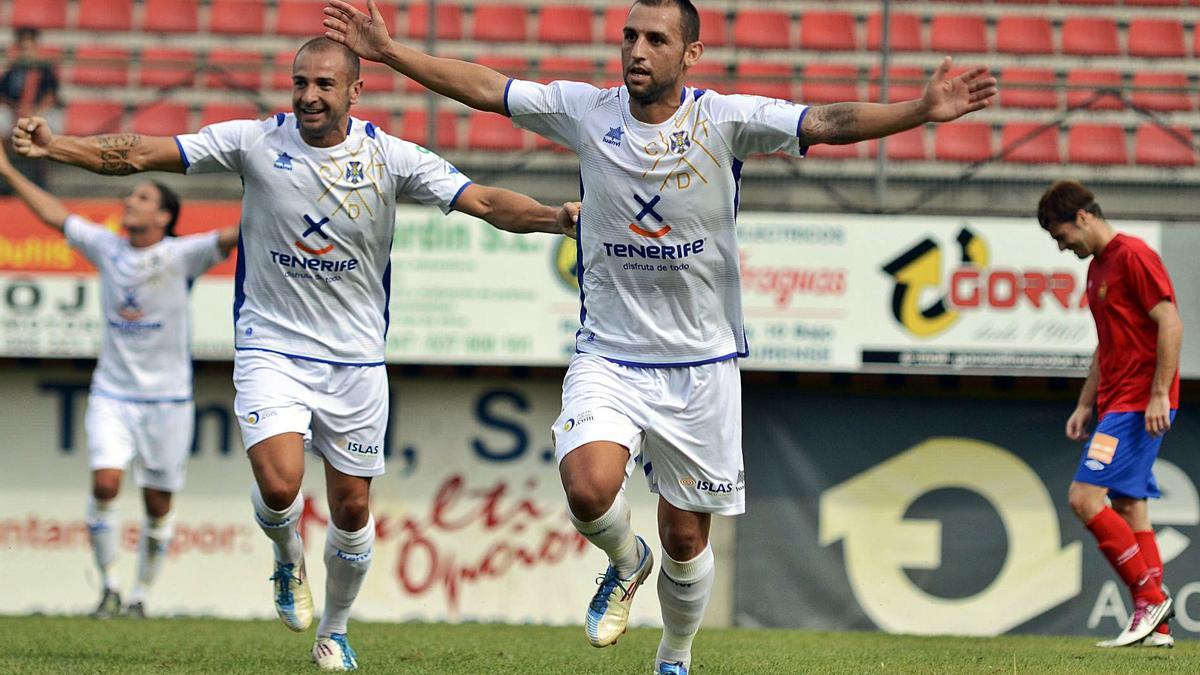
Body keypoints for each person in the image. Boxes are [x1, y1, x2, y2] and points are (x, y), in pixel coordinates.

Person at [322, 1, 996, 671]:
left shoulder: (725, 120)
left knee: (684, 536)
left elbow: (824, 121)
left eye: (655, 39)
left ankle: (674, 654)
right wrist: (392, 52)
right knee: (587, 489)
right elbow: (487, 89)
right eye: (629, 37)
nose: (637, 50)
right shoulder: (588, 110)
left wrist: (919, 110)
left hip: (701, 363)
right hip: (609, 352)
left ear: (689, 55)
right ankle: (624, 560)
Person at [13, 36, 574, 671]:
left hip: (356, 361)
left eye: (323, 85)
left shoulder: (390, 157)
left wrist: (556, 217)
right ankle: (287, 560)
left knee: (353, 506)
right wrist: (55, 146)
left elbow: (485, 201)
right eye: (300, 82)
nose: (308, 95)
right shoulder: (254, 142)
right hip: (270, 347)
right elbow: (141, 152)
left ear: (354, 92)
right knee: (280, 486)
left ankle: (333, 631)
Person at [0, 141, 238, 619]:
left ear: (165, 218)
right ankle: (109, 586)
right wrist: (6, 167)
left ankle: (140, 595)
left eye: (143, 197)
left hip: (167, 401)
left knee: (157, 504)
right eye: (132, 196)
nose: (129, 201)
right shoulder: (107, 246)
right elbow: (53, 214)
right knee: (106, 483)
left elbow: (235, 235)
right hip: (112, 393)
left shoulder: (181, 255)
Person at [1038, 180, 1180, 648]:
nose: (1063, 248)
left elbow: (1171, 321)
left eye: (1061, 236)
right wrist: (1085, 403)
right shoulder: (1098, 269)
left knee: (1084, 498)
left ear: (1082, 217)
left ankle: (1149, 599)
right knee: (1129, 506)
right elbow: (1107, 343)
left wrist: (1159, 393)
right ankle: (1157, 627)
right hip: (1116, 402)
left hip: (1139, 402)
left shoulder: (1134, 255)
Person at [1, 27, 61, 188]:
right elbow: (3, 95)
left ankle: (42, 176)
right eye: (23, 47)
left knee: (50, 125)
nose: (26, 51)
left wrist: (34, 112)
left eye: (29, 46)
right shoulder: (13, 70)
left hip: (39, 111)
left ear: (35, 46)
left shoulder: (45, 69)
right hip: (15, 110)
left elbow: (51, 97)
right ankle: (6, 173)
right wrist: (16, 109)